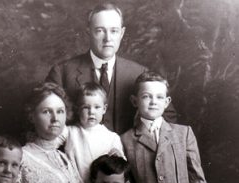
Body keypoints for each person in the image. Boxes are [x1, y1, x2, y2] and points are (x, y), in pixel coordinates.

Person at [46, 3, 177, 134]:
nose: (108, 38)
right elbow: (45, 117)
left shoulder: (139, 73)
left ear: (122, 33)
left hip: (128, 153)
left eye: (114, 31)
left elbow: (168, 116)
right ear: (88, 33)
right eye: (100, 31)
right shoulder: (62, 72)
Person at [58, 82, 124, 183]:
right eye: (85, 107)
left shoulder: (112, 137)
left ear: (104, 109)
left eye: (97, 107)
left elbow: (120, 166)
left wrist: (117, 156)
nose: (91, 112)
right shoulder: (70, 132)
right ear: (78, 109)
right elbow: (50, 141)